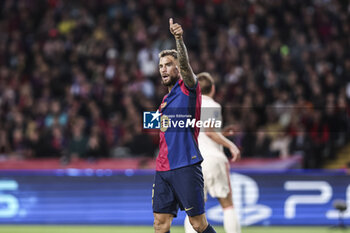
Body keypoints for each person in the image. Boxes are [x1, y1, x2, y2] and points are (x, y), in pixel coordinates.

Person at [152, 19, 217, 233]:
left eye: (168, 64)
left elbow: (188, 70)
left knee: (198, 224)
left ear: (178, 68)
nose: (163, 69)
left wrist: (179, 39)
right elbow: (163, 128)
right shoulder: (164, 101)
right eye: (161, 66)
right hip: (163, 168)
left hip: (185, 166)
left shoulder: (189, 89)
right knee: (160, 224)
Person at [184, 72, 241, 233]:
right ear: (213, 89)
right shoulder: (213, 105)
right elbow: (209, 131)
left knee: (194, 209)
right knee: (227, 205)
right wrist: (231, 145)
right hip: (214, 159)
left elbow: (201, 133)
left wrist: (221, 134)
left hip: (194, 161)